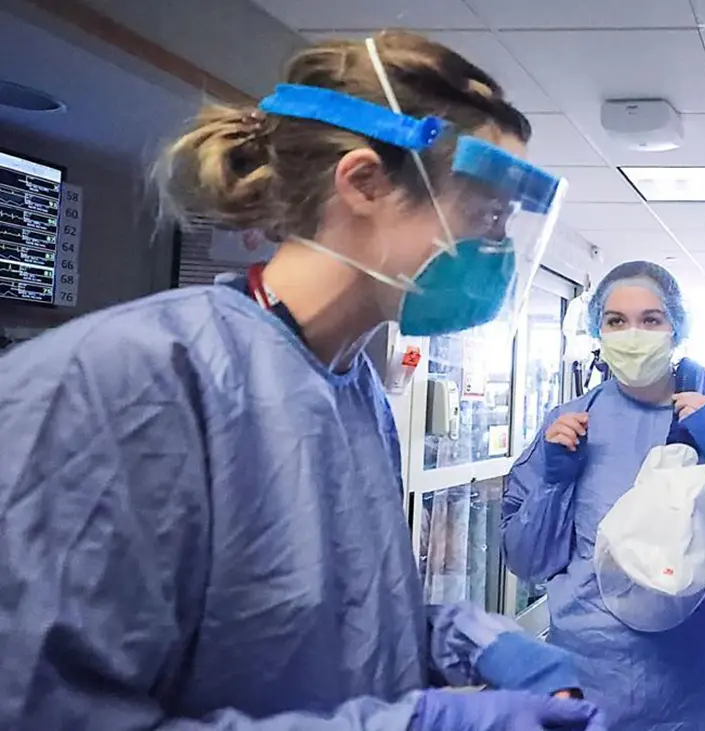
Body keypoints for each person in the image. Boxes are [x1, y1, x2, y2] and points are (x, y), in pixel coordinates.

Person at [0, 31, 607, 731]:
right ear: (364, 183)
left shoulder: (354, 390)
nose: (496, 246)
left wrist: (471, 643)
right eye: (486, 211)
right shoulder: (122, 383)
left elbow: (339, 626)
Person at [503, 261, 705, 731]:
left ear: (677, 328)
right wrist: (554, 481)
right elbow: (528, 561)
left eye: (651, 320)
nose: (633, 335)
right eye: (616, 321)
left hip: (697, 682)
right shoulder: (572, 424)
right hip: (590, 672)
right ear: (598, 330)